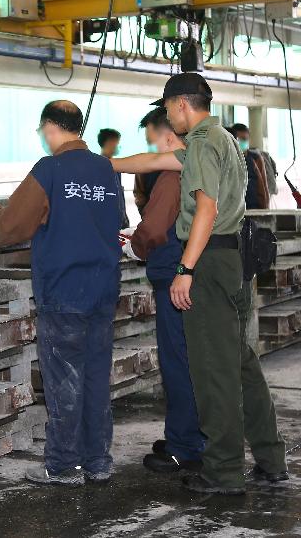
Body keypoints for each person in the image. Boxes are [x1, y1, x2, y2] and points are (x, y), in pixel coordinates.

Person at [112, 73, 288, 495]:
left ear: (180, 104)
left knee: (213, 372)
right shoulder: (220, 140)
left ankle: (223, 471)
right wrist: (102, 164)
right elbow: (153, 162)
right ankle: (270, 459)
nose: (167, 116)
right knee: (242, 365)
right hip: (232, 263)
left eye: (168, 108)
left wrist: (185, 269)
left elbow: (205, 209)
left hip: (209, 263)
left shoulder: (204, 144)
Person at [0, 101, 122, 487]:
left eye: (42, 130)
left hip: (64, 293)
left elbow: (10, 227)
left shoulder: (50, 169)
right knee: (95, 378)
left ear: (51, 127)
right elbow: (116, 221)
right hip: (103, 291)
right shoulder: (105, 169)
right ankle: (97, 462)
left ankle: (62, 466)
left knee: (65, 382)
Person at [122, 107, 204, 474]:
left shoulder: (172, 175)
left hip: (172, 273)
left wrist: (133, 245)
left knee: (177, 360)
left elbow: (154, 228)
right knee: (190, 358)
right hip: (188, 270)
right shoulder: (199, 165)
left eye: (153, 140)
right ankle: (188, 436)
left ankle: (184, 447)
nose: (153, 149)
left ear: (168, 137)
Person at [228, 123, 270, 210]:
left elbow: (263, 186)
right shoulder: (228, 158)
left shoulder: (255, 158)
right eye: (240, 139)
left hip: (254, 207)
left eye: (245, 139)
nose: (243, 142)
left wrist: (265, 209)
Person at [98, 128, 130, 228]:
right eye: (117, 143)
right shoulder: (99, 166)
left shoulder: (117, 166)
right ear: (110, 143)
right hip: (109, 222)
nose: (118, 146)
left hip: (119, 220)